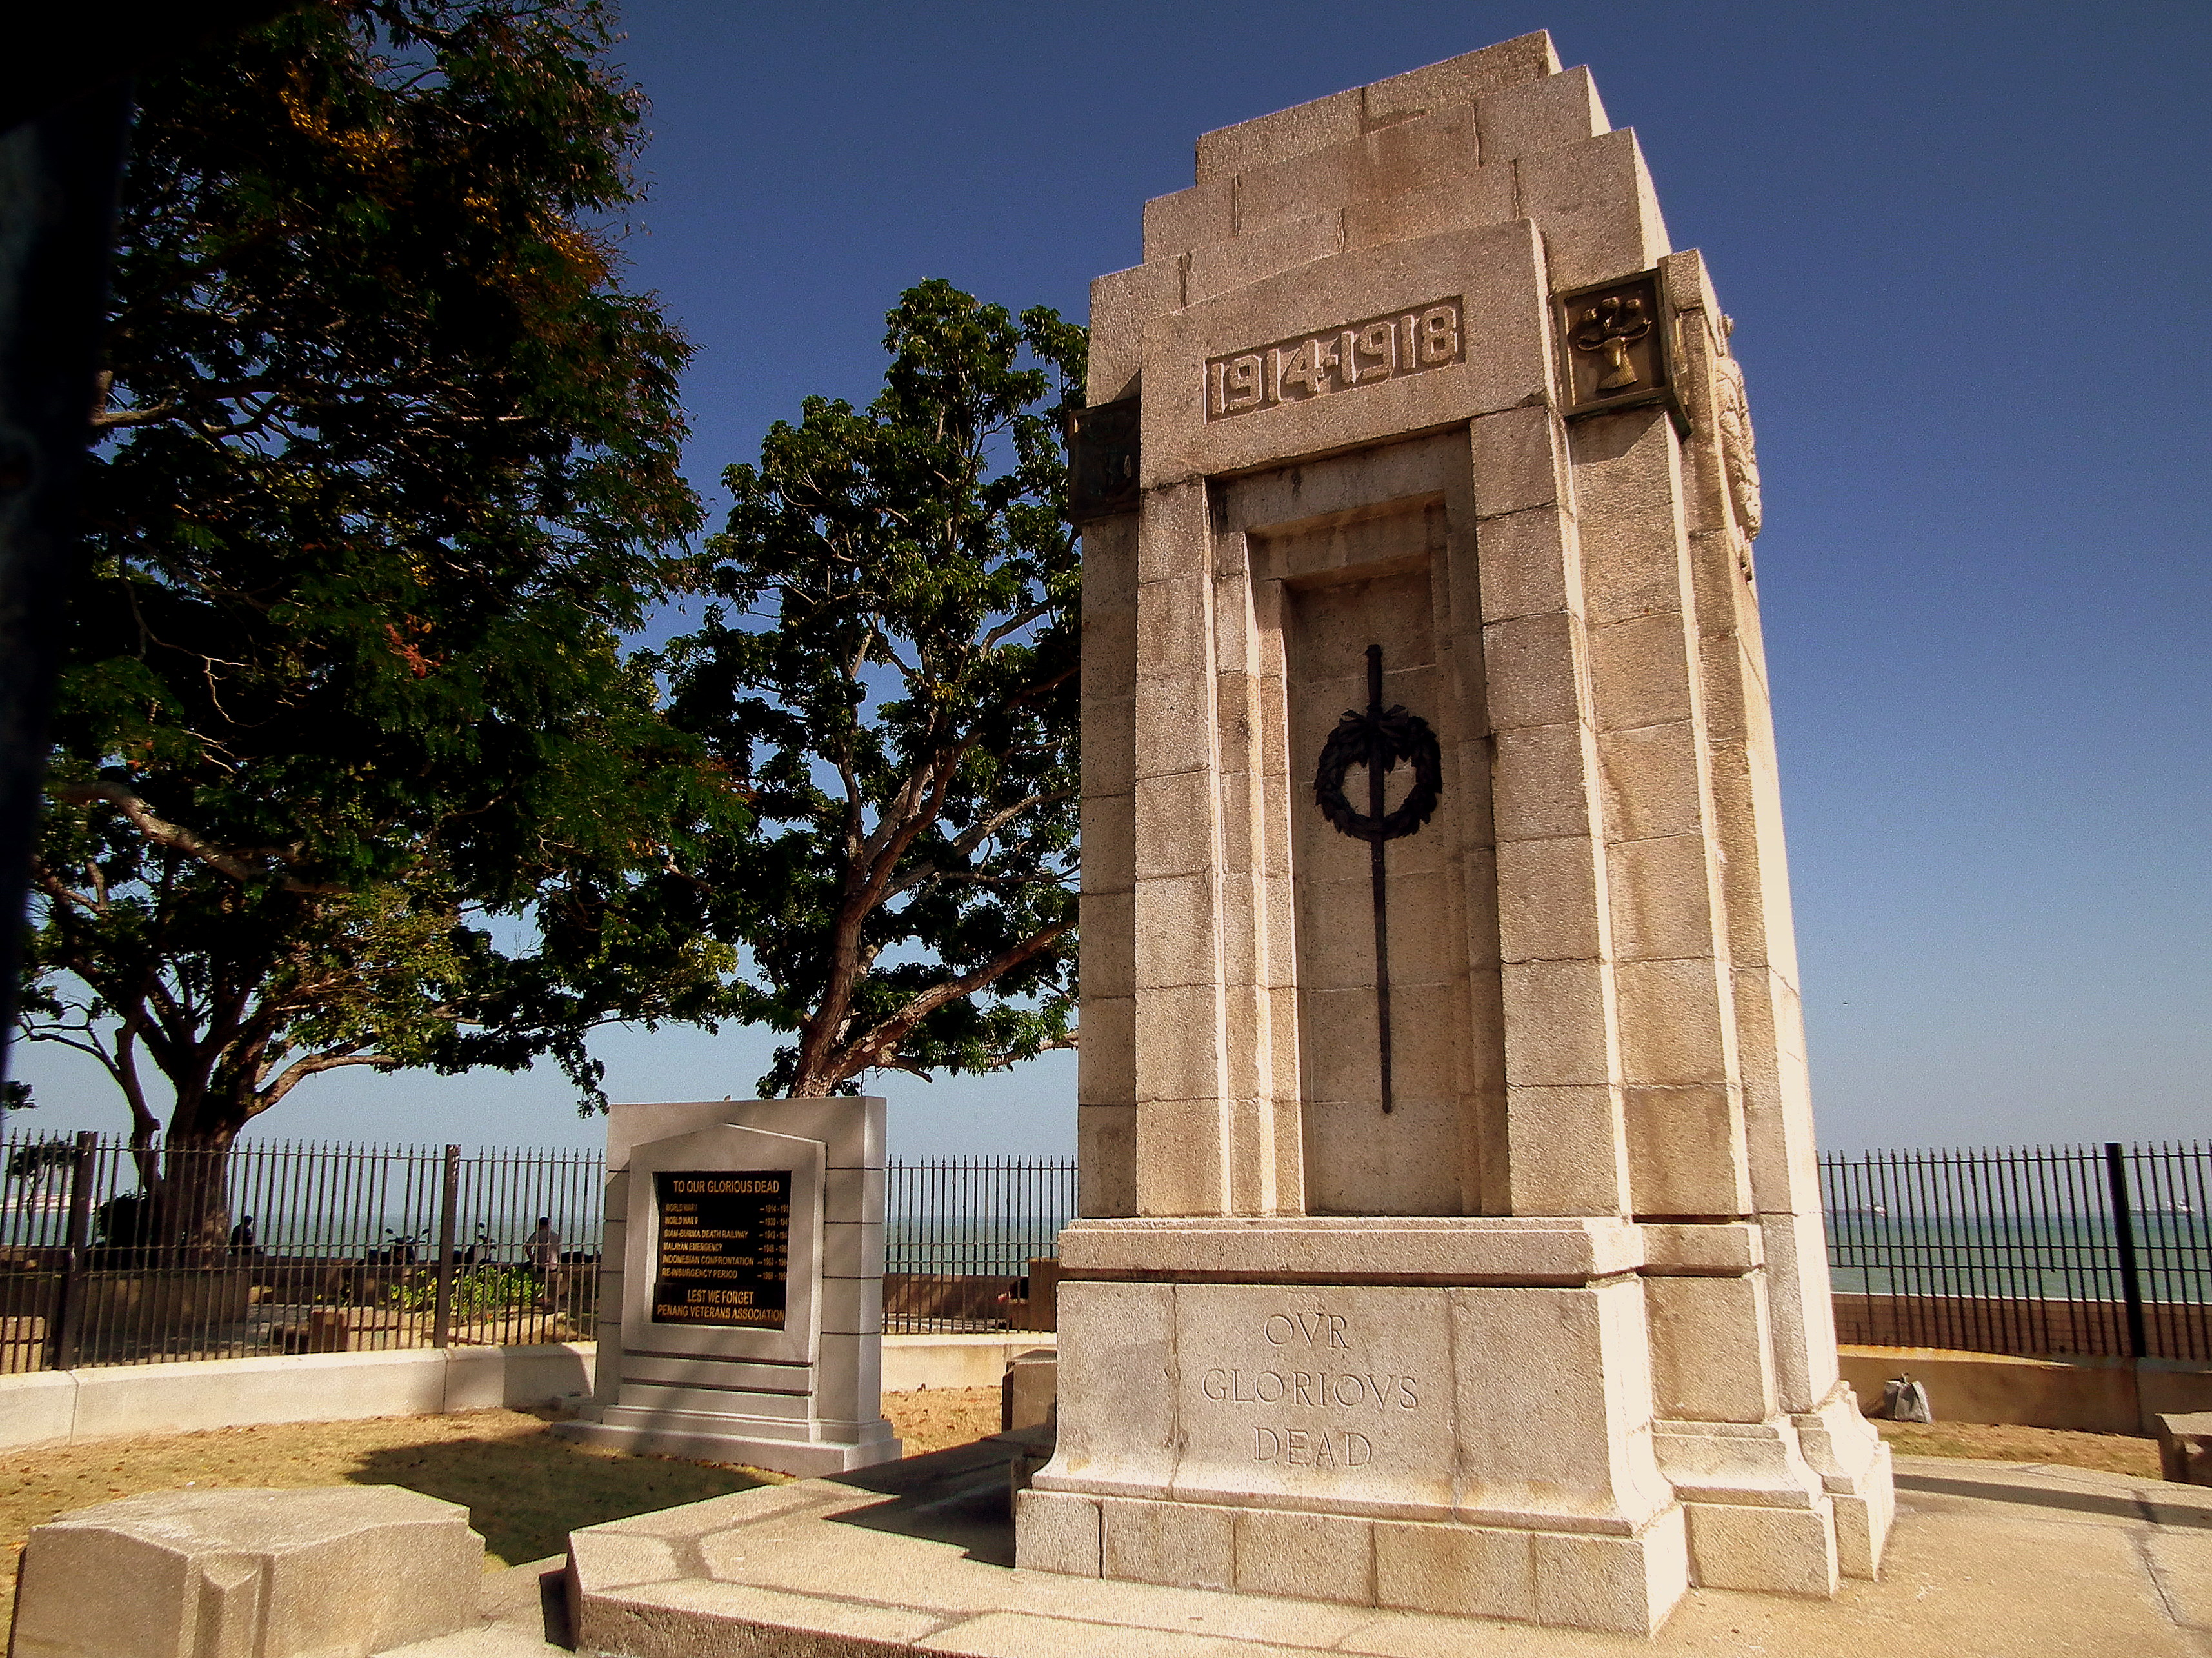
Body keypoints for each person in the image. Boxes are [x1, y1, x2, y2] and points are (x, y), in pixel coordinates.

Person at [524, 1216, 560, 1310]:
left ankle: (534, 1297)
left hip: (542, 1267)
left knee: (527, 1269)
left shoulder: (538, 1234)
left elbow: (527, 1247)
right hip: (554, 1267)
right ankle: (548, 1299)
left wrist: (532, 1258)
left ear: (540, 1225)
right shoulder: (555, 1235)